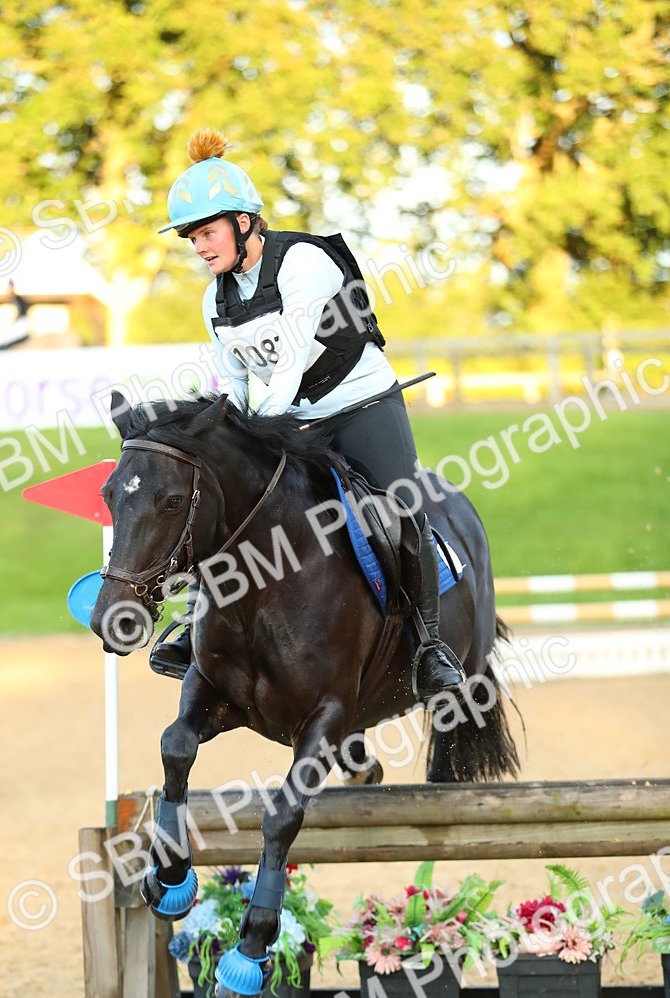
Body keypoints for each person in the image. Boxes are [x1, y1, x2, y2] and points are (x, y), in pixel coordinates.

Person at [149, 129, 466, 704]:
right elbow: (239, 383)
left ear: (245, 222)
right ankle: (194, 622)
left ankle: (429, 648)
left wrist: (250, 431)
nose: (197, 245)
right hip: (290, 420)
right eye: (190, 236)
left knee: (395, 504)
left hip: (359, 407)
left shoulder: (304, 263)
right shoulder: (214, 298)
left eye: (207, 231)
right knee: (221, 505)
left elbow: (288, 367)